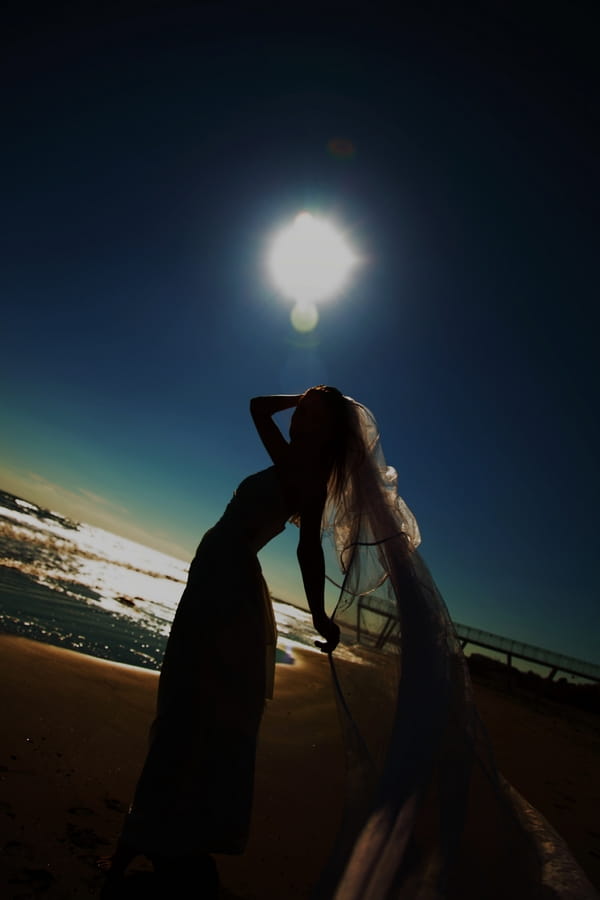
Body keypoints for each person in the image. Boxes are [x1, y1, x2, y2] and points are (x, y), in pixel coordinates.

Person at [99, 386, 353, 897]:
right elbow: (261, 407)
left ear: (327, 429)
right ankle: (159, 827)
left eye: (312, 409)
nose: (300, 410)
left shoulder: (303, 474)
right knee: (188, 704)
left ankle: (144, 834)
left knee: (188, 707)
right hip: (217, 576)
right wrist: (305, 395)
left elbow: (308, 553)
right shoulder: (296, 463)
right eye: (301, 404)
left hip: (227, 585)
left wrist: (321, 614)